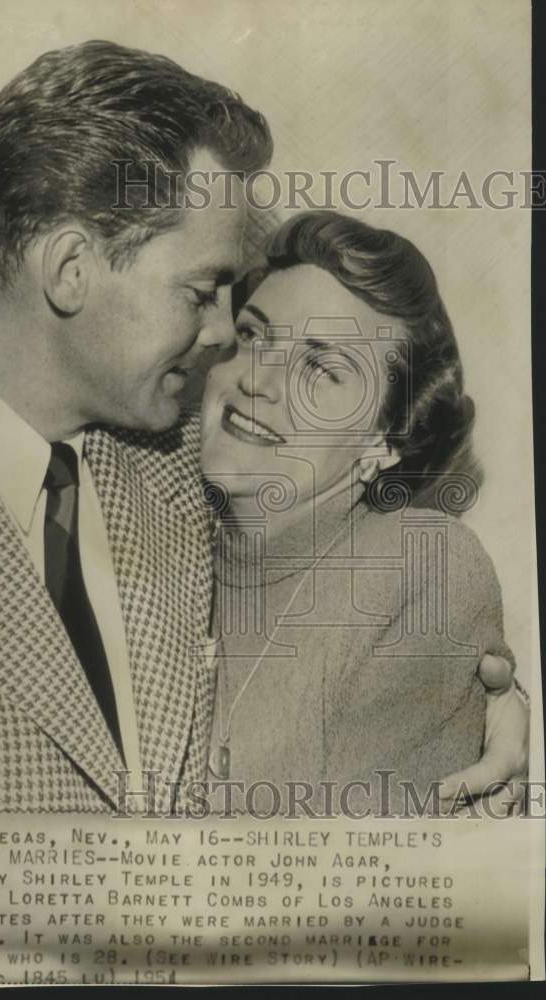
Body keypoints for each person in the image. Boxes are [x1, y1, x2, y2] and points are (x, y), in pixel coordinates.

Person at [0, 43, 525, 815]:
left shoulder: (176, 456)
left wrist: (470, 699)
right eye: (202, 291)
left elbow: (332, 539)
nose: (225, 334)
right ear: (70, 269)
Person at [201, 210, 528, 815]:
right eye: (254, 336)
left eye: (321, 369)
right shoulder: (142, 515)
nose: (258, 381)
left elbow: (350, 884)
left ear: (385, 441)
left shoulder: (418, 568)